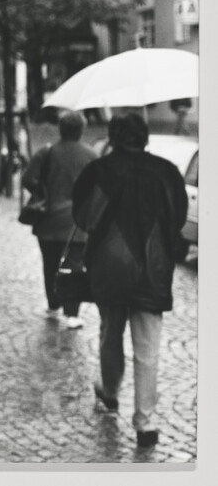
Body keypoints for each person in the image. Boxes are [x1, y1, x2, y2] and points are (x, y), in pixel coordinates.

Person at [72, 112, 187, 448]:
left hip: (109, 268)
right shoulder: (167, 172)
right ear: (145, 136)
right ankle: (145, 423)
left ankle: (109, 391)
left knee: (110, 334)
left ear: (113, 136)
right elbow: (178, 218)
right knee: (147, 348)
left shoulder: (98, 170)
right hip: (153, 269)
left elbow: (83, 217)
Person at [22, 111, 97, 329]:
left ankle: (53, 305)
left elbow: (28, 179)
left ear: (60, 129)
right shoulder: (91, 156)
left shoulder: (47, 152)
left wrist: (43, 191)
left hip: (49, 220)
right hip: (78, 224)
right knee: (74, 266)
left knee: (50, 264)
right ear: (81, 130)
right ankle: (72, 313)